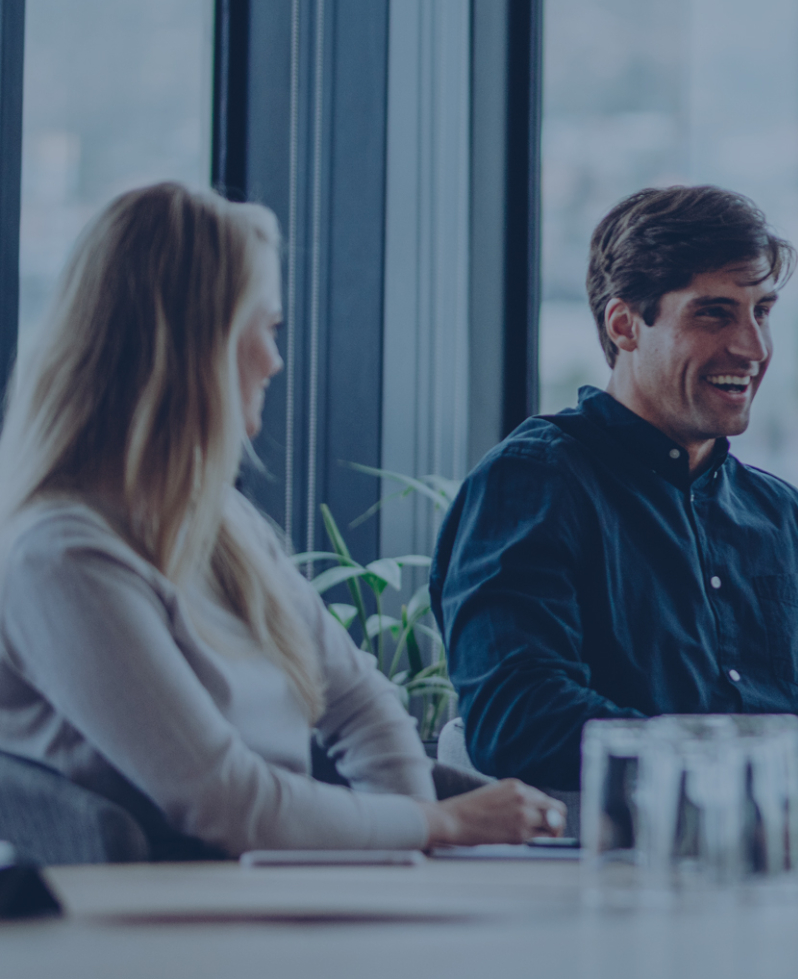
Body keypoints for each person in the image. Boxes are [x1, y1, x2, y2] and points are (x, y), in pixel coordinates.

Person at [0, 183, 560, 856]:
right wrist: (439, 822)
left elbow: (359, 701)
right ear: (191, 347)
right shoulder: (60, 559)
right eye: (262, 329)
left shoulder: (220, 523)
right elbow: (225, 802)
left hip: (267, 895)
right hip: (158, 930)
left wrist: (408, 855)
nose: (275, 359)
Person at [432, 186, 798, 836]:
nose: (753, 347)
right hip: (606, 893)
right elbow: (519, 716)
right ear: (625, 325)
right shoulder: (533, 482)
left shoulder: (785, 518)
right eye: (714, 314)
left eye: (762, 311)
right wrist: (759, 768)